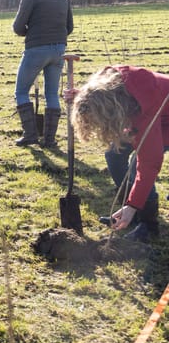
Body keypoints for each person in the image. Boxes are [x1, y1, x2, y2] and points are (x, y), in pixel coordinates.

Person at [67, 65, 169, 242]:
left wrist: (133, 205)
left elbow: (149, 163)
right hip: (149, 113)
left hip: (160, 118)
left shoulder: (145, 101)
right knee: (114, 154)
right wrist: (80, 96)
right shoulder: (112, 79)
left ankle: (148, 223)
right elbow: (99, 94)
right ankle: (129, 210)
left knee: (137, 164)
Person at [12, 0, 73, 147]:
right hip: (59, 50)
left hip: (36, 49)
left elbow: (17, 27)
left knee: (21, 92)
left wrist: (31, 33)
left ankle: (30, 135)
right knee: (52, 94)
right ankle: (49, 140)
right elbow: (69, 27)